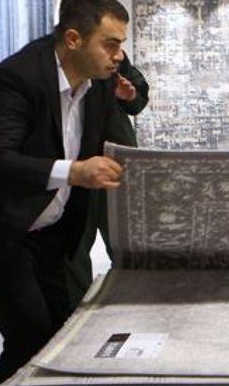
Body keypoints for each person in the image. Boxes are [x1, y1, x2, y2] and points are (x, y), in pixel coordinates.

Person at [0, 0, 131, 383]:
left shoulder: (98, 84)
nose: (119, 56)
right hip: (1, 232)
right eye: (110, 44)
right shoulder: (14, 80)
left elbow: (113, 142)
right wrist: (74, 172)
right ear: (73, 39)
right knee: (29, 335)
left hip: (51, 231)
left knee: (60, 333)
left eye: (121, 45)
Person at [66, 48, 149, 308]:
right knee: (73, 246)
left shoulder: (115, 56)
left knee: (125, 243)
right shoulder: (55, 63)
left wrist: (130, 95)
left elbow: (137, 101)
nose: (115, 49)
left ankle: (131, 306)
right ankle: (77, 316)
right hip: (73, 165)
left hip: (115, 159)